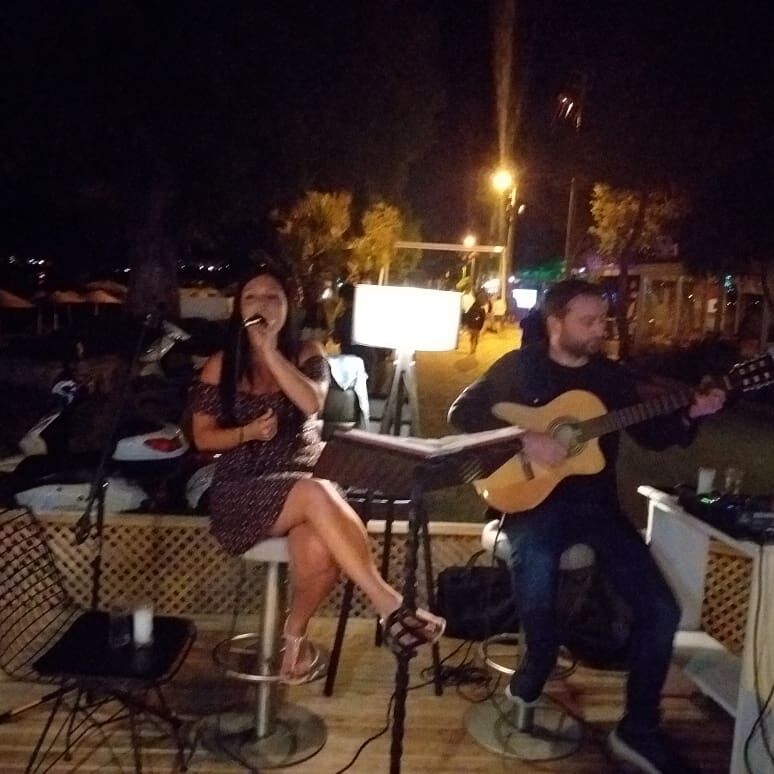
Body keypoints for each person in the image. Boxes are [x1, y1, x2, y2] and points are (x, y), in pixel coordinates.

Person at [448, 278, 724, 774]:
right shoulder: (519, 367)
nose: (601, 330)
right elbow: (462, 412)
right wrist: (524, 438)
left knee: (661, 609)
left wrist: (692, 415)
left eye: (603, 320)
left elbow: (655, 435)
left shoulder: (612, 379)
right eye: (588, 321)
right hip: (532, 504)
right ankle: (538, 659)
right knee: (537, 568)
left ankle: (639, 730)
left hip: (598, 509)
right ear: (556, 322)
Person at [191, 261, 444, 683]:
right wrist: (246, 432)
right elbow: (202, 436)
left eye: (272, 297)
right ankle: (390, 605)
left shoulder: (309, 354)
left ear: (289, 306)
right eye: (251, 297)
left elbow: (312, 403)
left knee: (319, 547)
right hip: (243, 487)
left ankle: (294, 637)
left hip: (306, 481)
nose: (261, 305)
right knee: (315, 491)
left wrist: (270, 352)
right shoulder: (222, 365)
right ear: (239, 308)